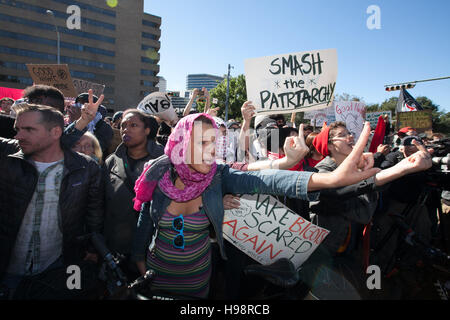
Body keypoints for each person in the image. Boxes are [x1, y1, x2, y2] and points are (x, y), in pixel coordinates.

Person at [130, 112, 390, 299]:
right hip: (156, 278)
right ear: (182, 144)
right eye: (202, 143)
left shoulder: (217, 176)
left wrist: (329, 179)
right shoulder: (156, 176)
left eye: (214, 143)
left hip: (198, 282)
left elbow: (261, 177)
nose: (212, 151)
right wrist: (143, 271)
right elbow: (142, 233)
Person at [307, 121, 431, 298]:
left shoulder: (355, 167)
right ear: (329, 145)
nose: (351, 137)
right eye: (342, 134)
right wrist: (399, 169)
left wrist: (405, 163)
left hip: (349, 251)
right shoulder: (322, 174)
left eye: (350, 132)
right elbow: (363, 214)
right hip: (326, 255)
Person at [0, 104, 104, 299]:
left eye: (29, 129)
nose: (18, 136)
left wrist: (92, 248)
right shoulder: (7, 155)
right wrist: (81, 122)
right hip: (8, 269)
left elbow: (94, 214)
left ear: (56, 132)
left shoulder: (85, 167)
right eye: (18, 129)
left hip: (56, 267)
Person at [103, 108, 164, 279]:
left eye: (133, 125)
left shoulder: (164, 160)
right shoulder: (111, 161)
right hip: (115, 247)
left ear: (147, 130)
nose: (126, 129)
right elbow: (99, 203)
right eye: (123, 125)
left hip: (151, 247)